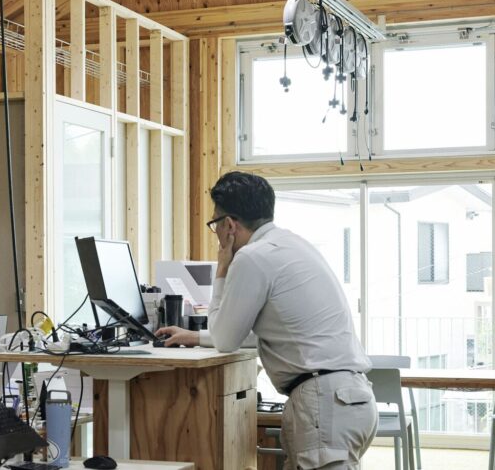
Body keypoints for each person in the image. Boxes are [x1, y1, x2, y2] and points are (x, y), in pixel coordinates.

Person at [156, 171, 377, 469]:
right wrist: (195, 336)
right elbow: (261, 333)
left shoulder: (251, 258)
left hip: (322, 404)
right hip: (353, 399)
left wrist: (222, 268)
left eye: (215, 225)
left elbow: (226, 339)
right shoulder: (292, 244)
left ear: (229, 225)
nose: (217, 235)